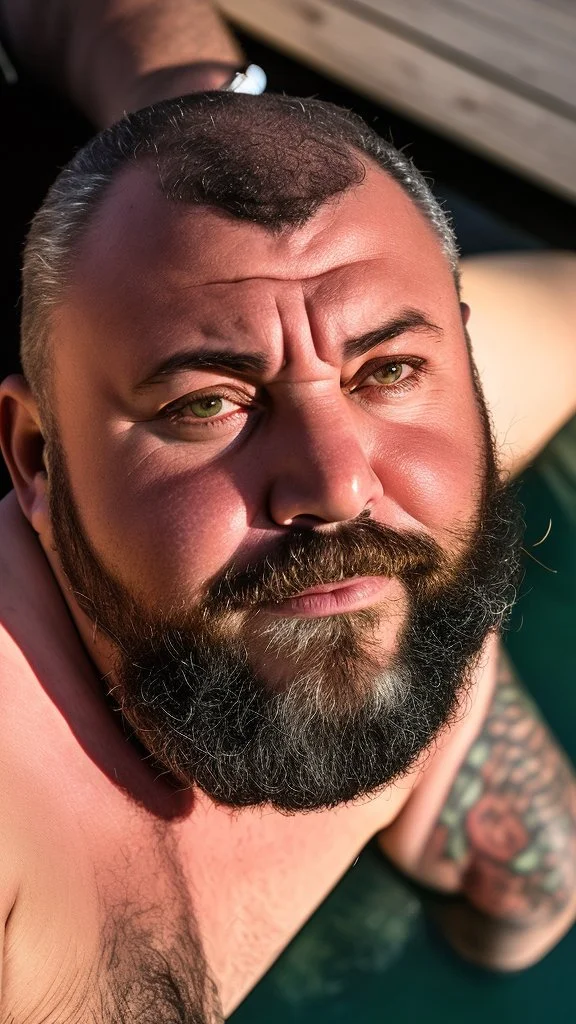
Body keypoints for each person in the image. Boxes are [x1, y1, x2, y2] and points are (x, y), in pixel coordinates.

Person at [0, 88, 575, 1024]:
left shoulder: (424, 434)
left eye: (384, 372)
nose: (339, 485)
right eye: (208, 405)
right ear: (37, 459)